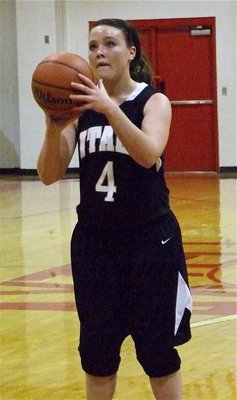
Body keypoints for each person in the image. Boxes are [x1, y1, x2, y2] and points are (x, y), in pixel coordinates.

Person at [37, 18, 192, 400]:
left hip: (150, 243)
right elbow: (47, 174)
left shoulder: (153, 101)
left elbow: (147, 153)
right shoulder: (80, 109)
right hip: (95, 245)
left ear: (131, 53)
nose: (99, 52)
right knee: (98, 356)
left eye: (109, 44)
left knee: (158, 354)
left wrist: (110, 108)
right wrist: (54, 126)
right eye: (92, 46)